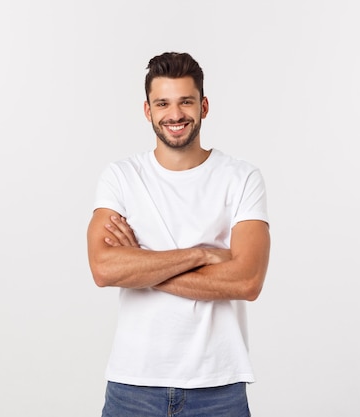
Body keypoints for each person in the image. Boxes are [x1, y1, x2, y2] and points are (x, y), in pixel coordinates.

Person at [87, 51, 271, 417]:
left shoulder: (241, 178)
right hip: (133, 385)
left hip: (218, 386)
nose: (175, 115)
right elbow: (104, 269)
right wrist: (202, 255)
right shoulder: (121, 177)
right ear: (147, 110)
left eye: (185, 102)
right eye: (163, 103)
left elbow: (247, 280)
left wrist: (141, 264)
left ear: (203, 106)